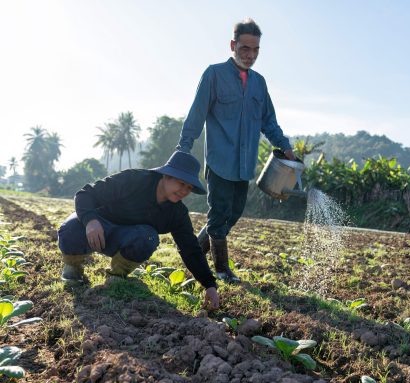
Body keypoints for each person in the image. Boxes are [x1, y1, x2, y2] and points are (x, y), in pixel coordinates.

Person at [176, 18, 295, 283]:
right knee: (218, 215)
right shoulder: (214, 74)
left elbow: (269, 121)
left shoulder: (259, 84)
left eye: (255, 50)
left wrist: (285, 147)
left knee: (234, 213)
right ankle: (220, 270)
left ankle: (193, 254)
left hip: (245, 164)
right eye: (244, 49)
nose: (250, 55)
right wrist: (183, 149)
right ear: (233, 45)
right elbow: (196, 116)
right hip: (219, 160)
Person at [57, 151, 220, 310]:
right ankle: (73, 269)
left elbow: (190, 248)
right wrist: (90, 221)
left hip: (125, 239)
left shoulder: (177, 213)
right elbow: (85, 194)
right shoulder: (134, 179)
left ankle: (117, 277)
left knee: (148, 238)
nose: (184, 191)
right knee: (70, 228)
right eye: (181, 183)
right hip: (98, 227)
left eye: (189, 187)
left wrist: (209, 285)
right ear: (166, 176)